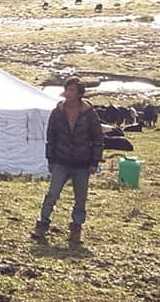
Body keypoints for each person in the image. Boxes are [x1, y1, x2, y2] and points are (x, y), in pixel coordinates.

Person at [34, 76, 103, 245]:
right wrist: (50, 158)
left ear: (79, 93)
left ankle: (76, 229)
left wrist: (94, 162)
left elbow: (97, 138)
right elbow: (51, 136)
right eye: (67, 89)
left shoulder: (89, 114)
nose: (68, 93)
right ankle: (42, 226)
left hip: (82, 163)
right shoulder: (58, 112)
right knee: (52, 194)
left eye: (72, 90)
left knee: (80, 198)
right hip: (61, 160)